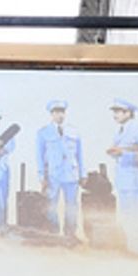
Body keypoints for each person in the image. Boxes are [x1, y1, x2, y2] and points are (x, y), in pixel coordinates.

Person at [105, 97, 138, 255]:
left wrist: (125, 154)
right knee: (127, 215)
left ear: (128, 113)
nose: (115, 115)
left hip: (137, 180)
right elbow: (121, 152)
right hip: (124, 180)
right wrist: (115, 153)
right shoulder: (120, 130)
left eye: (118, 112)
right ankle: (132, 247)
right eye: (114, 111)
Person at [36, 98, 84, 241]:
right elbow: (39, 156)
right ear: (51, 114)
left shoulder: (74, 131)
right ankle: (54, 234)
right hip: (53, 175)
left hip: (71, 174)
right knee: (51, 206)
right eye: (56, 112)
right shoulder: (43, 133)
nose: (60, 115)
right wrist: (41, 177)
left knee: (72, 206)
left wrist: (83, 173)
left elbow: (80, 154)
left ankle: (70, 234)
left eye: (62, 112)